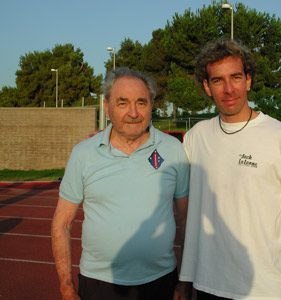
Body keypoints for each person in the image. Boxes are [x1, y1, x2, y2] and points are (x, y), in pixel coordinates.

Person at [174, 39, 281, 300]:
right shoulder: (197, 137)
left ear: (249, 80)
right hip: (206, 286)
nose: (229, 89)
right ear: (207, 86)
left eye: (236, 77)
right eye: (218, 80)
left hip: (261, 290)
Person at [52, 67, 190, 300]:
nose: (133, 113)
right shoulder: (83, 153)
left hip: (161, 282)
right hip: (99, 284)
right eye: (123, 103)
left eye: (141, 102)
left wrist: (185, 280)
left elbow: (186, 219)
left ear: (152, 105)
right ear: (107, 107)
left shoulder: (173, 149)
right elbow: (61, 224)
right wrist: (66, 287)